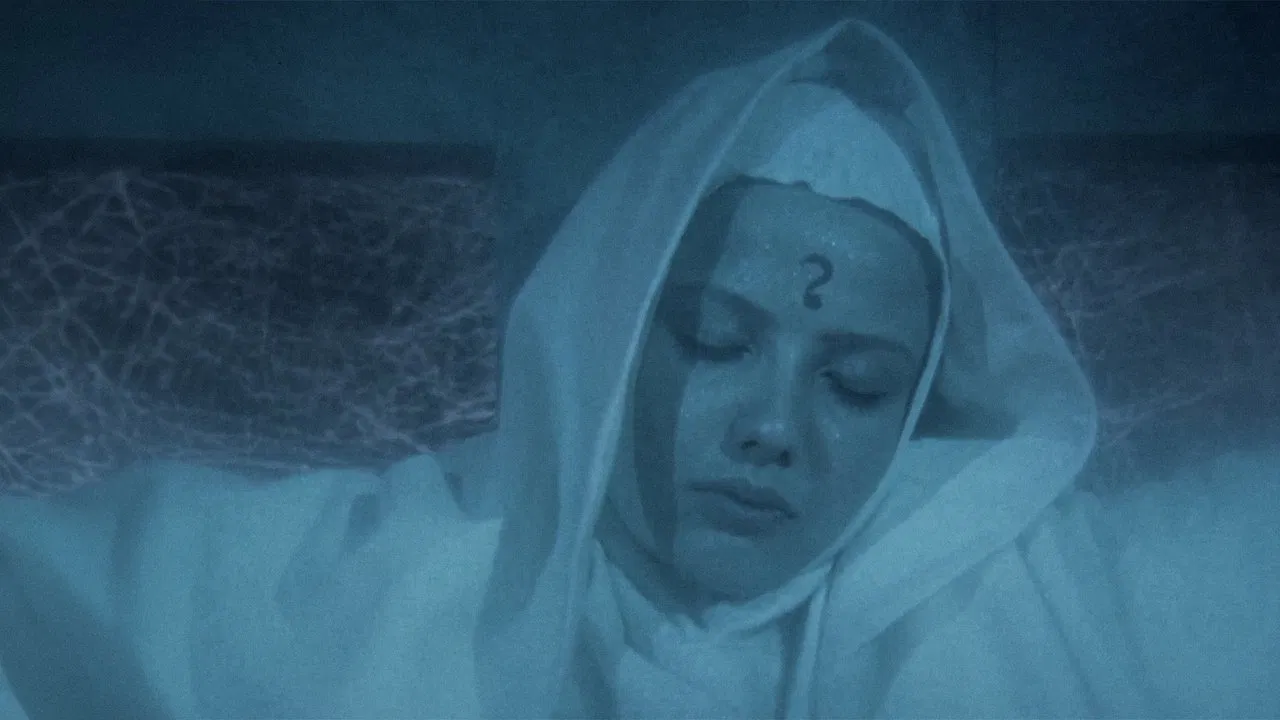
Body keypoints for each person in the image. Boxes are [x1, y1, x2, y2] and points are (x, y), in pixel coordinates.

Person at [1, 17, 1277, 720]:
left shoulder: (1025, 595)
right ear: (607, 331)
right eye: (714, 341)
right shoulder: (344, 581)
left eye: (855, 385)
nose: (773, 427)